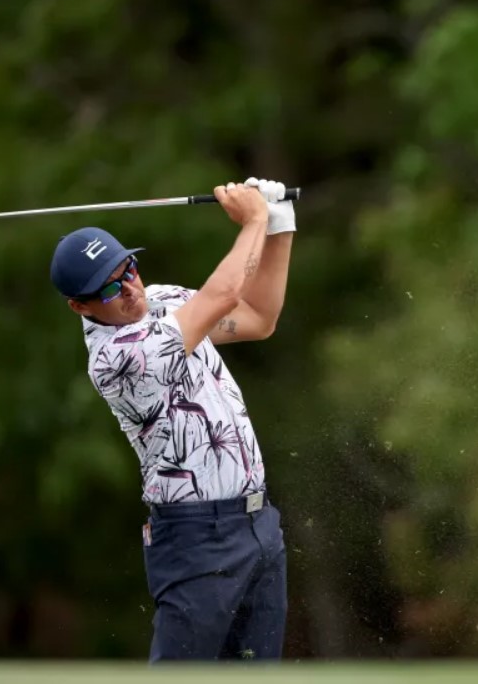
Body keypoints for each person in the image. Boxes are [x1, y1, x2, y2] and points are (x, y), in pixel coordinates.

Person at [48, 177, 295, 662]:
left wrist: (279, 225)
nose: (130, 289)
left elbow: (260, 317)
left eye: (129, 269)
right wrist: (254, 220)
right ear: (80, 305)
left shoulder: (162, 300)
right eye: (110, 287)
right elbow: (222, 296)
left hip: (258, 525)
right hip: (197, 538)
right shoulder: (117, 358)